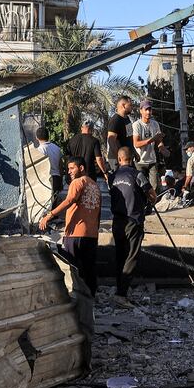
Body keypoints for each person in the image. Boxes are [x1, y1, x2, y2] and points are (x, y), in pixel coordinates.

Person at [41, 156, 102, 296]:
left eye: (71, 168)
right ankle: (90, 297)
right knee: (89, 269)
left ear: (81, 168)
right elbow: (98, 212)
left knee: (72, 268)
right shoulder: (95, 185)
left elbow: (69, 200)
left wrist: (50, 215)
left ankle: (75, 296)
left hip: (75, 233)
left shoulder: (77, 182)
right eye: (68, 169)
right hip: (91, 234)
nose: (69, 171)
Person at [108, 146, 154, 308]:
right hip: (133, 220)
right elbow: (152, 194)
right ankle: (121, 294)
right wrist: (148, 200)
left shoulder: (112, 177)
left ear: (119, 159)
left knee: (120, 256)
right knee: (132, 256)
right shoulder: (137, 174)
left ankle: (120, 289)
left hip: (117, 221)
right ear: (132, 159)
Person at [131, 102, 165, 192]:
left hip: (152, 160)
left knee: (155, 187)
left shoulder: (155, 124)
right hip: (140, 161)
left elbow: (159, 140)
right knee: (141, 187)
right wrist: (152, 139)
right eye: (146, 109)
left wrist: (162, 147)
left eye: (150, 109)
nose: (148, 112)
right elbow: (136, 143)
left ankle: (153, 201)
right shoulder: (136, 125)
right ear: (141, 111)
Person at [106, 96, 134, 171]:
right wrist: (119, 158)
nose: (132, 107)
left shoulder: (127, 119)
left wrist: (134, 152)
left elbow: (130, 137)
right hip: (116, 160)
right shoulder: (115, 120)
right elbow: (111, 140)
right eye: (130, 105)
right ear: (123, 105)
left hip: (128, 158)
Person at [35, 127, 64, 195]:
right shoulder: (57, 148)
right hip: (57, 178)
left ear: (36, 138)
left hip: (47, 180)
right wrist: (61, 180)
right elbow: (61, 165)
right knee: (56, 200)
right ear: (48, 136)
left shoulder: (39, 151)